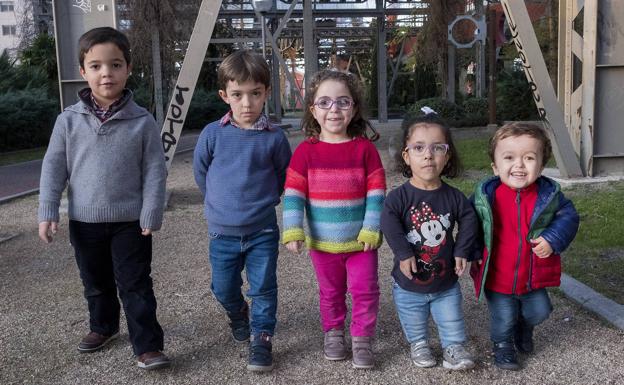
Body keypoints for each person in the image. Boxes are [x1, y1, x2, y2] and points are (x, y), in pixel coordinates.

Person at [37, 27, 170, 370]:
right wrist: (48, 211)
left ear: (127, 69)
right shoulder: (68, 120)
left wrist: (151, 211)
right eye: (95, 66)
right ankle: (104, 327)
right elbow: (53, 168)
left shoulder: (143, 121)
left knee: (136, 285)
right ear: (83, 72)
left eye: (114, 65)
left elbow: (155, 171)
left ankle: (148, 346)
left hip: (131, 221)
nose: (105, 73)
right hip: (84, 221)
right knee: (95, 282)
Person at [193, 50, 292, 372]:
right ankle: (238, 313)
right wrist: (220, 203)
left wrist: (263, 202)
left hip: (261, 230)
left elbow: (282, 176)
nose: (247, 103)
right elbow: (201, 172)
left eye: (255, 94)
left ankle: (261, 337)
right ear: (225, 96)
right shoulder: (212, 134)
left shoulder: (275, 137)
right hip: (222, 231)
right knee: (223, 287)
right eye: (238, 95)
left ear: (266, 93)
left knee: (263, 287)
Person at [282, 70, 385, 369]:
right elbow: (293, 195)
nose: (334, 109)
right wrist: (292, 230)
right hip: (322, 244)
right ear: (313, 109)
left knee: (366, 290)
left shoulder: (365, 150)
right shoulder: (304, 152)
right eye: (325, 102)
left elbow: (377, 193)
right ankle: (334, 332)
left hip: (361, 243)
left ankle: (363, 338)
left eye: (342, 101)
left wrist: (370, 229)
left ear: (353, 108)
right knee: (330, 292)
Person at [471, 122, 579, 370]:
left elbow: (568, 216)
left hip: (532, 277)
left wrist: (552, 238)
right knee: (503, 317)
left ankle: (524, 327)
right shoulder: (485, 197)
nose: (519, 165)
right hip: (498, 278)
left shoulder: (549, 196)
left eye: (529, 158)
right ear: (495, 167)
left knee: (540, 311)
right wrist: (474, 251)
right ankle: (502, 346)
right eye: (509, 157)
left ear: (541, 166)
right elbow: (471, 226)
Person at [380, 110, 477, 370]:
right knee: (413, 319)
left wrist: (462, 250)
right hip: (409, 280)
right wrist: (403, 253)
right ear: (406, 156)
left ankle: (454, 346)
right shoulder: (398, 198)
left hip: (445, 281)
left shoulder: (454, 197)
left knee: (452, 319)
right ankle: (419, 344)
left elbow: (469, 220)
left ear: (447, 157)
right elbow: (389, 223)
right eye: (419, 147)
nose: (428, 154)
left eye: (437, 148)